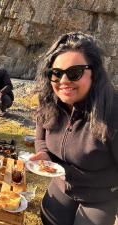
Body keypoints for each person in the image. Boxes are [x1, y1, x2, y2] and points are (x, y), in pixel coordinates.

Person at [30, 31, 118, 225]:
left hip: (100, 197)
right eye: (56, 73)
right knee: (49, 218)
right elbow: (40, 139)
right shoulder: (48, 102)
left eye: (74, 73)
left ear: (93, 72)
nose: (63, 81)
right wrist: (44, 155)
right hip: (62, 185)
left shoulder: (112, 110)